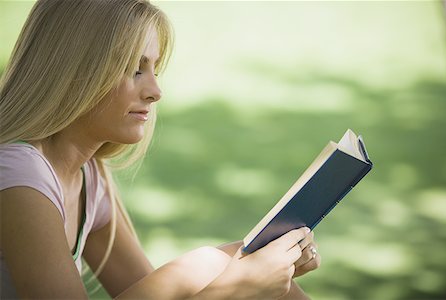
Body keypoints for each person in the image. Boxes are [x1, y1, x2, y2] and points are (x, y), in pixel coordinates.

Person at [0, 0, 321, 299]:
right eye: (134, 69)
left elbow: (141, 288)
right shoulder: (20, 174)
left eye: (155, 69)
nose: (155, 92)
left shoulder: (87, 173)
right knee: (207, 264)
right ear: (73, 71)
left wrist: (265, 260)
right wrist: (235, 288)